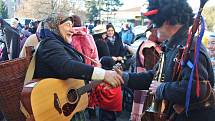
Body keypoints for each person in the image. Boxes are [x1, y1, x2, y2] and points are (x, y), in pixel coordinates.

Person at [114, 0, 215, 121]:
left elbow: (196, 90)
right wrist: (125, 77)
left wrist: (162, 88)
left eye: (155, 23)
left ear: (168, 21)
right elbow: (154, 76)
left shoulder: (191, 49)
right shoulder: (172, 46)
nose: (152, 28)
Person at [32, 12, 123, 121]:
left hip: (69, 110)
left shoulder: (61, 44)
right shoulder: (49, 44)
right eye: (68, 25)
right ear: (54, 27)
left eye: (72, 25)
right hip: (53, 110)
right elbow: (66, 66)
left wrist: (99, 79)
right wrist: (103, 74)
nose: (72, 30)